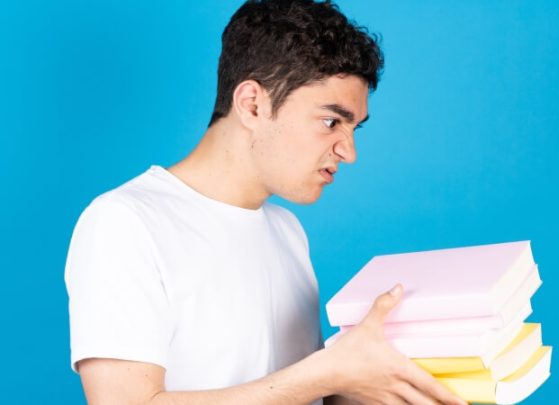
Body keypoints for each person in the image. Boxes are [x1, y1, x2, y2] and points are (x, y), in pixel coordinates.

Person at [64, 1, 468, 404]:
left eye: (353, 127)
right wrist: (326, 372)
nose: (349, 152)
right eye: (331, 121)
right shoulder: (124, 222)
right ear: (252, 104)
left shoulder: (286, 230)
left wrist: (378, 381)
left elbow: (296, 393)